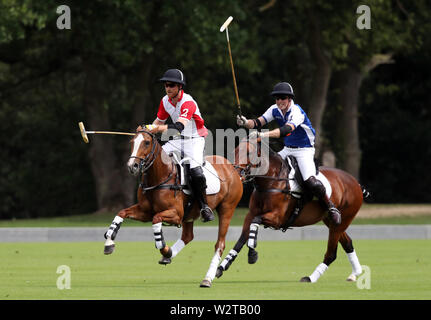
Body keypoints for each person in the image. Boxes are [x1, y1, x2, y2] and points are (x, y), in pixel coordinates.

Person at [237, 82, 341, 225]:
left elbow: (286, 130)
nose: (280, 101)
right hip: (288, 148)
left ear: (290, 99)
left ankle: (331, 206)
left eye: (283, 98)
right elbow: (257, 122)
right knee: (269, 169)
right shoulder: (274, 109)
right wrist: (245, 122)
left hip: (304, 150)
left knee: (309, 180)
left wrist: (263, 135)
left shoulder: (296, 112)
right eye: (277, 98)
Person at [143, 68, 214, 222]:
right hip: (178, 140)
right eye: (166, 85)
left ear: (180, 87)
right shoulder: (164, 101)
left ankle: (204, 206)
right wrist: (146, 130)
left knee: (196, 172)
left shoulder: (188, 102)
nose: (168, 88)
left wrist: (154, 128)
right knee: (155, 159)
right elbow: (159, 121)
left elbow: (178, 127)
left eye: (172, 85)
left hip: (195, 139)